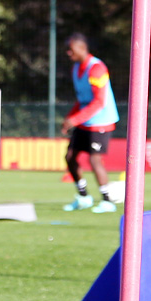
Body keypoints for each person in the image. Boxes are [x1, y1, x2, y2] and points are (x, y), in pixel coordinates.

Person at [61, 33, 119, 213]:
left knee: (95, 160)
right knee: (70, 157)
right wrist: (70, 118)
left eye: (71, 50)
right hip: (84, 121)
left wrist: (76, 118)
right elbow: (82, 99)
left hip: (101, 121)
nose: (68, 53)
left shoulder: (96, 69)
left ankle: (107, 200)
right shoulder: (76, 69)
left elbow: (99, 102)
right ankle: (83, 196)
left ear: (82, 48)